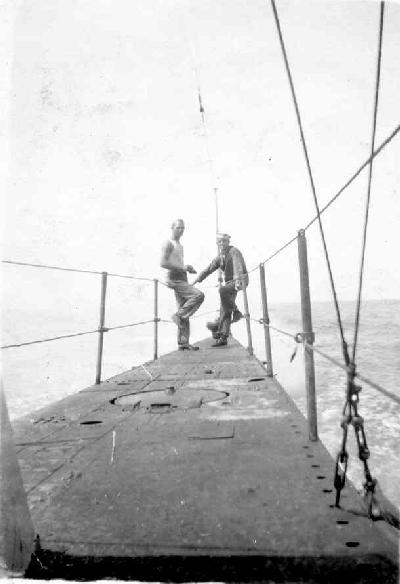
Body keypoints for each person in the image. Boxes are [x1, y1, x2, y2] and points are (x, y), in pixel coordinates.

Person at [192, 233, 248, 346]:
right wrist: (197, 280)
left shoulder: (234, 251)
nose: (222, 243)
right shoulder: (220, 257)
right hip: (229, 283)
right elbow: (209, 269)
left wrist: (237, 281)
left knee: (222, 290)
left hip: (240, 279)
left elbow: (238, 266)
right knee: (225, 307)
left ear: (228, 242)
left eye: (224, 241)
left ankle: (235, 312)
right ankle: (223, 336)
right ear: (217, 244)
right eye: (220, 242)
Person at [160, 219, 204, 350]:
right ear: (172, 228)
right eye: (178, 227)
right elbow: (163, 263)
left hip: (181, 277)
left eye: (183, 228)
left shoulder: (179, 244)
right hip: (174, 278)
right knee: (198, 296)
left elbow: (178, 263)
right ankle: (177, 316)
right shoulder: (168, 243)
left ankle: (183, 342)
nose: (181, 230)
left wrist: (186, 268)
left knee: (184, 307)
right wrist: (183, 267)